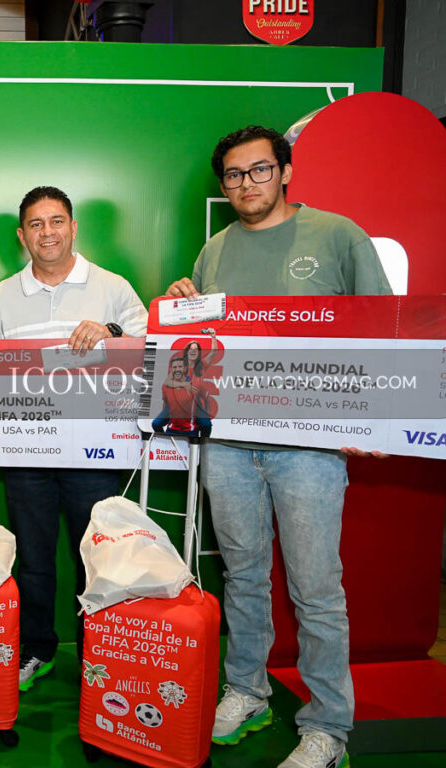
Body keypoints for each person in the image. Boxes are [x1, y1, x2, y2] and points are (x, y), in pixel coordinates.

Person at [166, 125, 390, 768]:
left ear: (285, 171)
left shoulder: (337, 235)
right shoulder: (214, 250)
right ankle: (248, 692)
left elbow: (382, 329)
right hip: (230, 444)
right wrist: (184, 302)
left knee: (317, 588)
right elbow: (201, 343)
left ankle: (327, 728)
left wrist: (375, 421)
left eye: (259, 171)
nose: (246, 185)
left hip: (309, 448)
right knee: (242, 576)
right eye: (234, 176)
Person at [0, 186, 148, 691]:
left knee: (97, 555)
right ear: (21, 235)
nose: (47, 232)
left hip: (95, 452)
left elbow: (148, 345)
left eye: (57, 222)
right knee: (33, 556)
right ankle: (38, 649)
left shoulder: (112, 286)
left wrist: (111, 330)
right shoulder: (2, 295)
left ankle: (102, 653)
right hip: (26, 452)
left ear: (74, 228)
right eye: (36, 224)